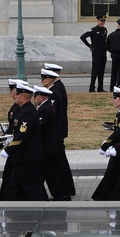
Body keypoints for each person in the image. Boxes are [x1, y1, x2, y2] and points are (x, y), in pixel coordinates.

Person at [3, 84, 49, 201]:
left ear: (23, 97)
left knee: (33, 186)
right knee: (14, 185)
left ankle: (43, 207)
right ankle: (12, 208)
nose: (15, 96)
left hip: (28, 156)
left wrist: (8, 150)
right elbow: (15, 131)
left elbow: (22, 135)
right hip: (21, 157)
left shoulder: (27, 112)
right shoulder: (22, 110)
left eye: (17, 94)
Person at [40, 66, 75, 200]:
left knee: (58, 163)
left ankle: (64, 191)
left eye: (44, 78)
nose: (42, 81)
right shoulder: (57, 88)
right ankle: (66, 189)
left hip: (55, 133)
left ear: (50, 79)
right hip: (57, 133)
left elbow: (53, 115)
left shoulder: (53, 92)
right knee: (59, 162)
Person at [32, 86, 67, 200]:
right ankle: (41, 195)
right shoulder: (45, 107)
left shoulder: (45, 109)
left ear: (41, 97)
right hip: (46, 146)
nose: (34, 99)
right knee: (44, 173)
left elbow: (39, 126)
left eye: (35, 96)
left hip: (47, 147)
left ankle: (58, 195)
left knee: (50, 173)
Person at [80, 15, 108, 92]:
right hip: (96, 52)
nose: (102, 23)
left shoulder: (105, 30)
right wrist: (90, 46)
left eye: (103, 21)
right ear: (98, 21)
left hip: (103, 52)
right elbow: (82, 37)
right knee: (95, 71)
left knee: (101, 71)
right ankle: (92, 88)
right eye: (101, 21)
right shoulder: (93, 30)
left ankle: (100, 88)